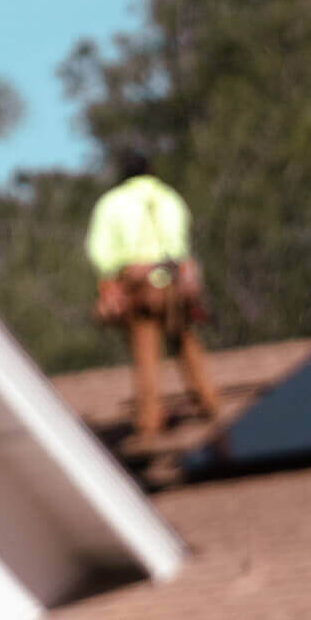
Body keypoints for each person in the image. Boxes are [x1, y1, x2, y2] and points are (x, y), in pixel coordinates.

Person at [85, 149, 222, 444]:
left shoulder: (111, 204)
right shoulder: (170, 198)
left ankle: (149, 420)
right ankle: (208, 401)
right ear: (150, 169)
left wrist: (109, 285)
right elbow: (181, 242)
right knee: (184, 340)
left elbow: (100, 252)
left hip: (138, 287)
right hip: (174, 284)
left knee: (145, 351)